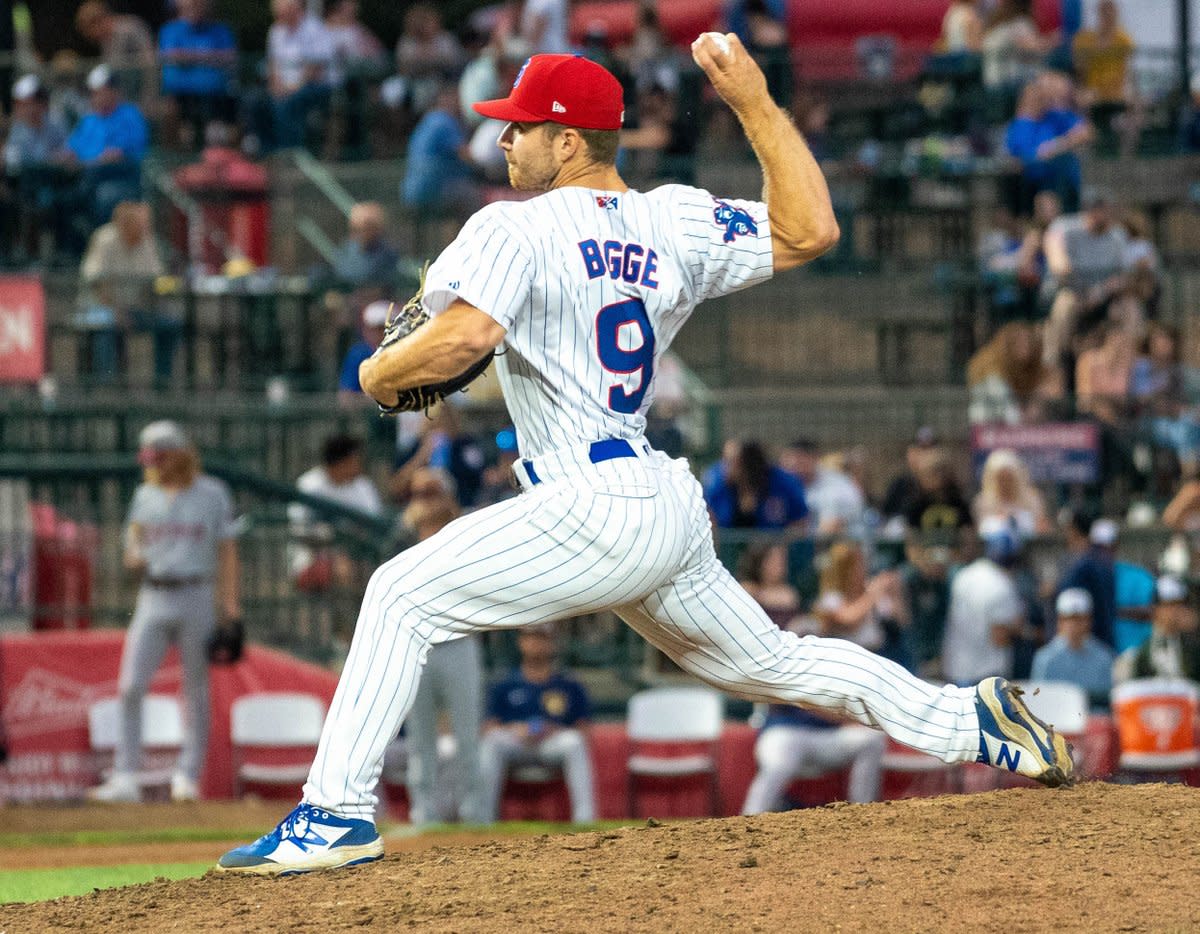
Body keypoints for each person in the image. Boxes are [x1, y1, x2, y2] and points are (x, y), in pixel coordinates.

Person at [217, 42, 1072, 876]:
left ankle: (332, 814)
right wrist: (754, 102)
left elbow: (465, 337)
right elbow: (812, 229)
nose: (505, 140)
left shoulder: (512, 227)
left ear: (570, 140)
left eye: (521, 126)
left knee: (399, 594)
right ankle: (971, 719)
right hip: (658, 499)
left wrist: (376, 373)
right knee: (772, 661)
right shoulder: (675, 217)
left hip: (590, 500)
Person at [88, 421, 240, 803]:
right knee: (130, 685)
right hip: (153, 594)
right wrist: (133, 557)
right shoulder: (145, 495)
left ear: (176, 454)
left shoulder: (212, 493)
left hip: (197, 592)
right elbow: (132, 546)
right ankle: (126, 776)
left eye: (158, 456)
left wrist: (231, 607)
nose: (152, 464)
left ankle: (187, 777)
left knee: (195, 690)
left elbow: (228, 551)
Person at [401, 468, 485, 826]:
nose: (424, 500)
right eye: (418, 493)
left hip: (458, 641)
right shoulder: (399, 538)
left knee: (467, 735)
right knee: (420, 739)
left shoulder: (463, 535)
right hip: (417, 646)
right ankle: (424, 812)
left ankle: (474, 812)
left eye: (432, 492)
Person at [479, 623, 594, 823]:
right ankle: (483, 820)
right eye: (531, 637)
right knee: (492, 742)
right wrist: (515, 729)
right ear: (520, 642)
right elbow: (488, 727)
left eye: (542, 638)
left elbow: (583, 729)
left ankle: (585, 821)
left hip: (550, 744)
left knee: (574, 742)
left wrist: (555, 729)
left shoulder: (568, 684)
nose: (536, 644)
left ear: (553, 643)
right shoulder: (505, 684)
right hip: (516, 742)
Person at [76, 200, 170, 385]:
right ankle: (106, 389)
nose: (143, 230)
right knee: (107, 325)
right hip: (99, 307)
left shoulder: (146, 239)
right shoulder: (104, 239)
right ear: (123, 224)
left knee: (170, 324)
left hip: (134, 308)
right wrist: (116, 311)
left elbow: (156, 280)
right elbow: (96, 281)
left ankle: (162, 384)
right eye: (138, 226)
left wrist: (155, 301)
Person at [741, 704, 885, 813]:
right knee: (778, 765)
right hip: (785, 731)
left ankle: (862, 813)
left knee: (871, 738)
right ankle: (750, 820)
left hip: (826, 736)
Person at [288, 434, 384, 591]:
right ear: (341, 462)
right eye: (354, 460)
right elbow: (299, 528)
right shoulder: (309, 485)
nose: (359, 465)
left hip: (357, 556)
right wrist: (335, 546)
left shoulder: (362, 486)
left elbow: (375, 524)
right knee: (339, 570)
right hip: (312, 557)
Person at [60, 65, 149, 231]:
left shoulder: (130, 115)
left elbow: (127, 151)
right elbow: (72, 149)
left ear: (114, 91)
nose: (96, 97)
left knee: (102, 196)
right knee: (61, 199)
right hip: (86, 177)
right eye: (93, 93)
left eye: (101, 91)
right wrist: (69, 155)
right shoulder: (88, 120)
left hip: (120, 176)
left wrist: (108, 156)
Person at [942, 518, 1025, 686]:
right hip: (986, 679)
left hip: (955, 671)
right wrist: (1018, 629)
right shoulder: (1002, 585)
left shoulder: (964, 575)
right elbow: (999, 638)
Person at [157, 0, 237, 147]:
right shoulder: (170, 30)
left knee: (219, 130)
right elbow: (171, 56)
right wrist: (208, 57)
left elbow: (229, 57)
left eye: (200, 4)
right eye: (192, 4)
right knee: (170, 114)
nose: (196, 8)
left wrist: (189, 57)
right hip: (179, 94)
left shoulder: (220, 30)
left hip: (214, 95)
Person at [1031, 588, 1115, 709]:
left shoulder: (1104, 657)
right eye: (1068, 618)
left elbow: (1108, 702)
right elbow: (1039, 703)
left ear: (1089, 620)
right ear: (1059, 621)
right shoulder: (1045, 659)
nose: (1074, 624)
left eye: (1079, 619)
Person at [704, 439, 809, 530]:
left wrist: (780, 544)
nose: (725, 467)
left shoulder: (784, 483)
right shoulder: (716, 482)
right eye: (725, 460)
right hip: (728, 551)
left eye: (732, 462)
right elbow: (710, 520)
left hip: (774, 549)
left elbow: (800, 522)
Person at [1113, 575, 1200, 682]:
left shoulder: (1191, 646)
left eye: (1179, 605)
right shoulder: (1141, 644)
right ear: (1155, 608)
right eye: (1168, 605)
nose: (1175, 611)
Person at [778, 438, 865, 538]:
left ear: (814, 458)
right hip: (804, 547)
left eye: (800, 460)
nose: (792, 465)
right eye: (787, 460)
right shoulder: (786, 486)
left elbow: (830, 529)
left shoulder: (839, 486)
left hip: (844, 547)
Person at [1057, 511, 1117, 648]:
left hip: (1086, 643)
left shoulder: (1083, 565)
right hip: (1105, 638)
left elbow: (1069, 599)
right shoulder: (1102, 560)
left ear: (1073, 530)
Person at [75, 0, 155, 102]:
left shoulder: (130, 29)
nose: (91, 38)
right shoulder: (105, 41)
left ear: (98, 21)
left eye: (89, 31)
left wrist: (148, 100)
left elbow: (150, 65)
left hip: (146, 97)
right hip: (126, 101)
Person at [972, 448, 1049, 537]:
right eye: (1000, 479)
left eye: (1008, 479)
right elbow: (979, 531)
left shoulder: (1032, 500)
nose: (1005, 483)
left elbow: (1042, 528)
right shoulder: (983, 502)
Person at [330, 202, 400, 289]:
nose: (361, 233)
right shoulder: (345, 250)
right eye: (356, 228)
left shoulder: (389, 255)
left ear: (378, 228)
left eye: (366, 228)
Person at [338, 300, 391, 399]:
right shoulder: (358, 354)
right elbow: (345, 396)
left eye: (382, 328)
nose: (379, 334)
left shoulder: (399, 351)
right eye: (374, 329)